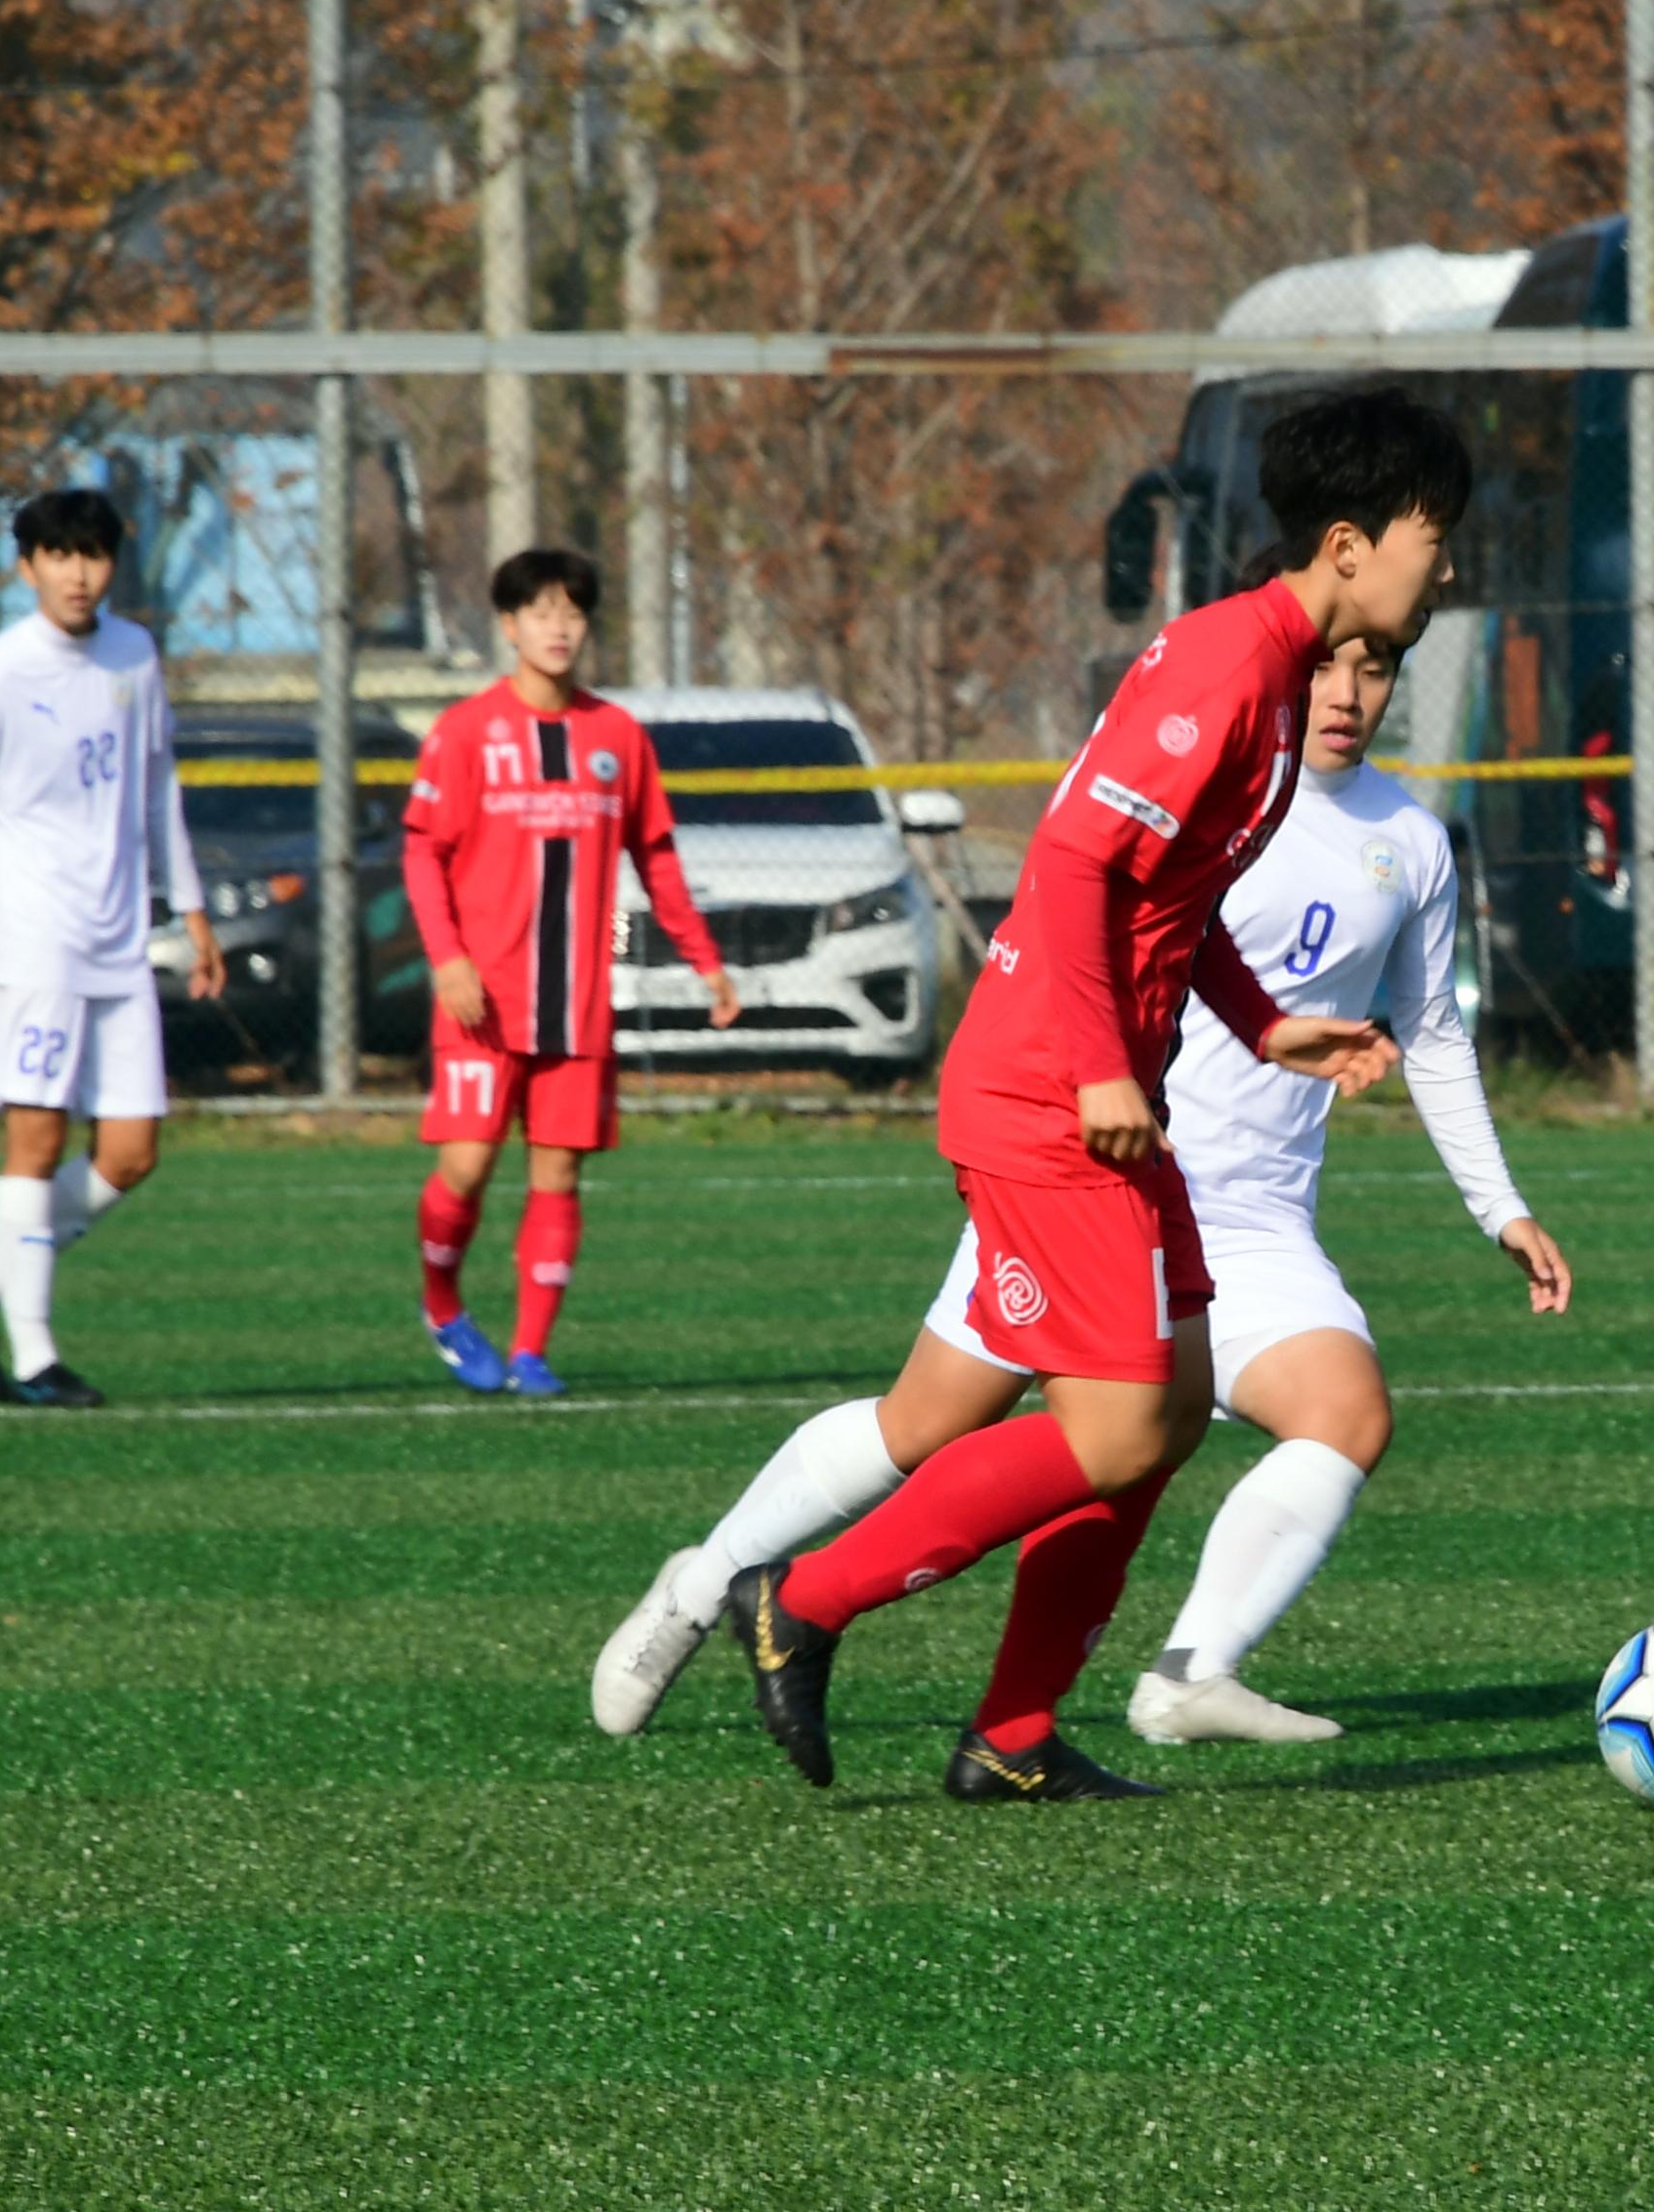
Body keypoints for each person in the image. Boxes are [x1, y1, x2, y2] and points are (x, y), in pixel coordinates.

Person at [591, 389, 1462, 1797]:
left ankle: (1010, 1738)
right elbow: (1068, 871)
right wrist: (1109, 1064)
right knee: (1107, 1425)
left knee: (1167, 1412)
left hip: (1100, 1080)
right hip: (1050, 1087)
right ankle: (793, 1602)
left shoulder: (1268, 670)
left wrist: (1260, 1022)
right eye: (1440, 540)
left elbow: (1175, 898)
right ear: (1352, 544)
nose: (1448, 570)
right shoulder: (1231, 672)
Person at [0, 488, 224, 1408]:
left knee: (131, 1152)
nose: (78, 573)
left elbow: (157, 784)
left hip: (120, 940)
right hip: (34, 943)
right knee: (36, 1140)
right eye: (58, 556)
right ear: (27, 567)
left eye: (93, 556)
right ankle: (36, 1356)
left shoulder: (134, 653)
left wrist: (192, 912)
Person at [402, 548, 737, 1397]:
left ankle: (529, 1353)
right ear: (508, 626)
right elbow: (421, 853)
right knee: (467, 1169)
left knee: (558, 1173)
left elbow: (656, 858)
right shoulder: (466, 730)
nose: (559, 627)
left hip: (576, 1003)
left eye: (573, 613)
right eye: (541, 612)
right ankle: (442, 1304)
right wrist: (447, 959)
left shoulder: (616, 737)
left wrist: (706, 963)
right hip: (483, 1000)